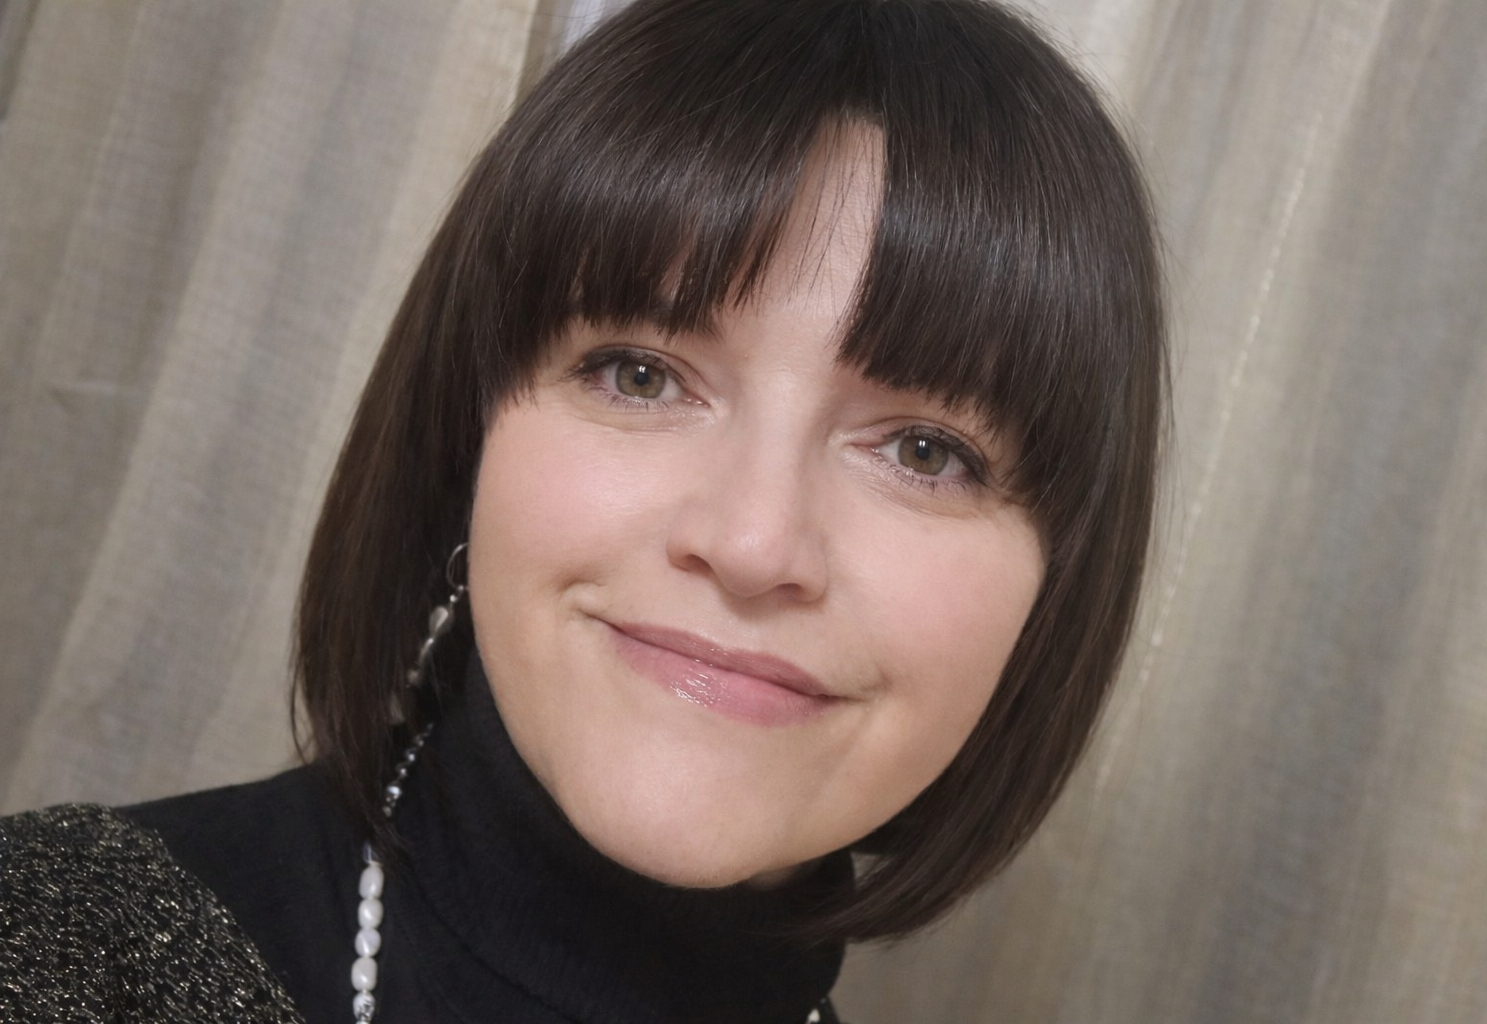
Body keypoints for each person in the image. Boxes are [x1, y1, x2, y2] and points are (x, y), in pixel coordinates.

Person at [0, 0, 1165, 1021]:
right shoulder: (52, 955)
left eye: (924, 451)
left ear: (1052, 594)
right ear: (469, 434)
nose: (753, 542)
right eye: (641, 375)